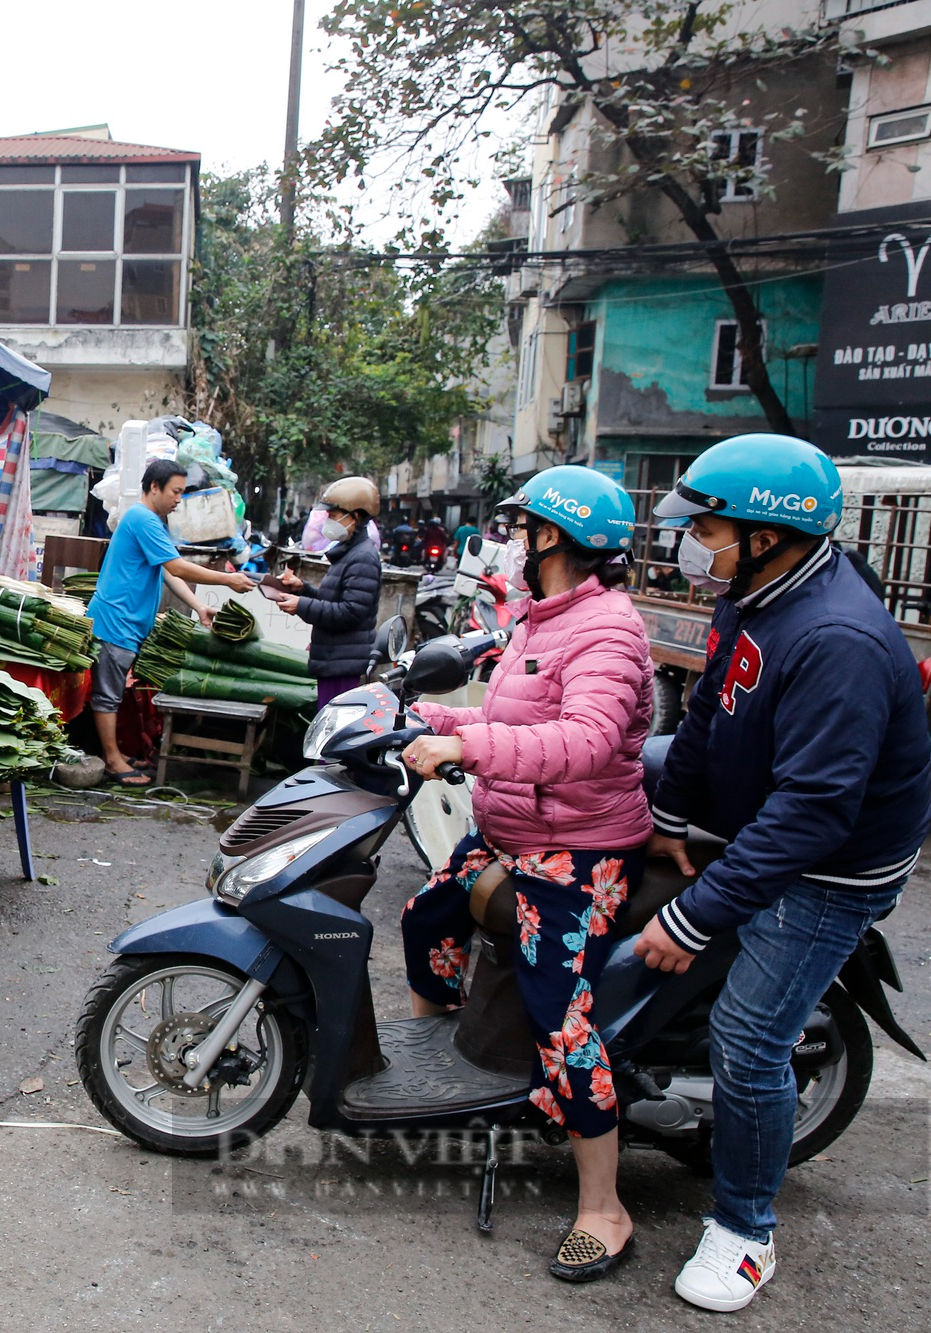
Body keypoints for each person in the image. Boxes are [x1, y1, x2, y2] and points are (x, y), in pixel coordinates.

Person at [634, 434, 931, 1312]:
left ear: (765, 534)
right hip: (757, 804)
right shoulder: (753, 597)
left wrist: (693, 914)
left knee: (749, 1039)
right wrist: (670, 821)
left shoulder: (836, 639)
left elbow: (812, 814)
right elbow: (701, 724)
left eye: (707, 527)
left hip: (832, 868)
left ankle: (745, 1229)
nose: (692, 541)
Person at [397, 465, 649, 1282]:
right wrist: (428, 716)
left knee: (559, 1012)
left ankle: (604, 1206)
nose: (508, 543)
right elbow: (511, 717)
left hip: (579, 852)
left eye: (519, 529)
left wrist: (464, 748)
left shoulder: (608, 629)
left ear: (551, 538)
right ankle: (449, 1084)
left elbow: (584, 742)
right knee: (424, 916)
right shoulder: (545, 620)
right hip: (512, 834)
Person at [86, 459, 260, 787]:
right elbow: (179, 567)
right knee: (107, 696)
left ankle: (118, 754)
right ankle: (112, 762)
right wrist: (226, 580)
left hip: (127, 623)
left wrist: (198, 606)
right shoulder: (143, 519)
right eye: (176, 492)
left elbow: (166, 570)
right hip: (116, 620)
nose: (179, 499)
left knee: (114, 695)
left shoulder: (150, 520)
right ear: (154, 488)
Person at [263, 477, 383, 705]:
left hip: (343, 663)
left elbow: (349, 613)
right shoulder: (349, 553)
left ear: (355, 517)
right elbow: (333, 601)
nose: (328, 521)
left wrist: (302, 606)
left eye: (334, 516)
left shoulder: (363, 558)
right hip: (334, 658)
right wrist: (303, 589)